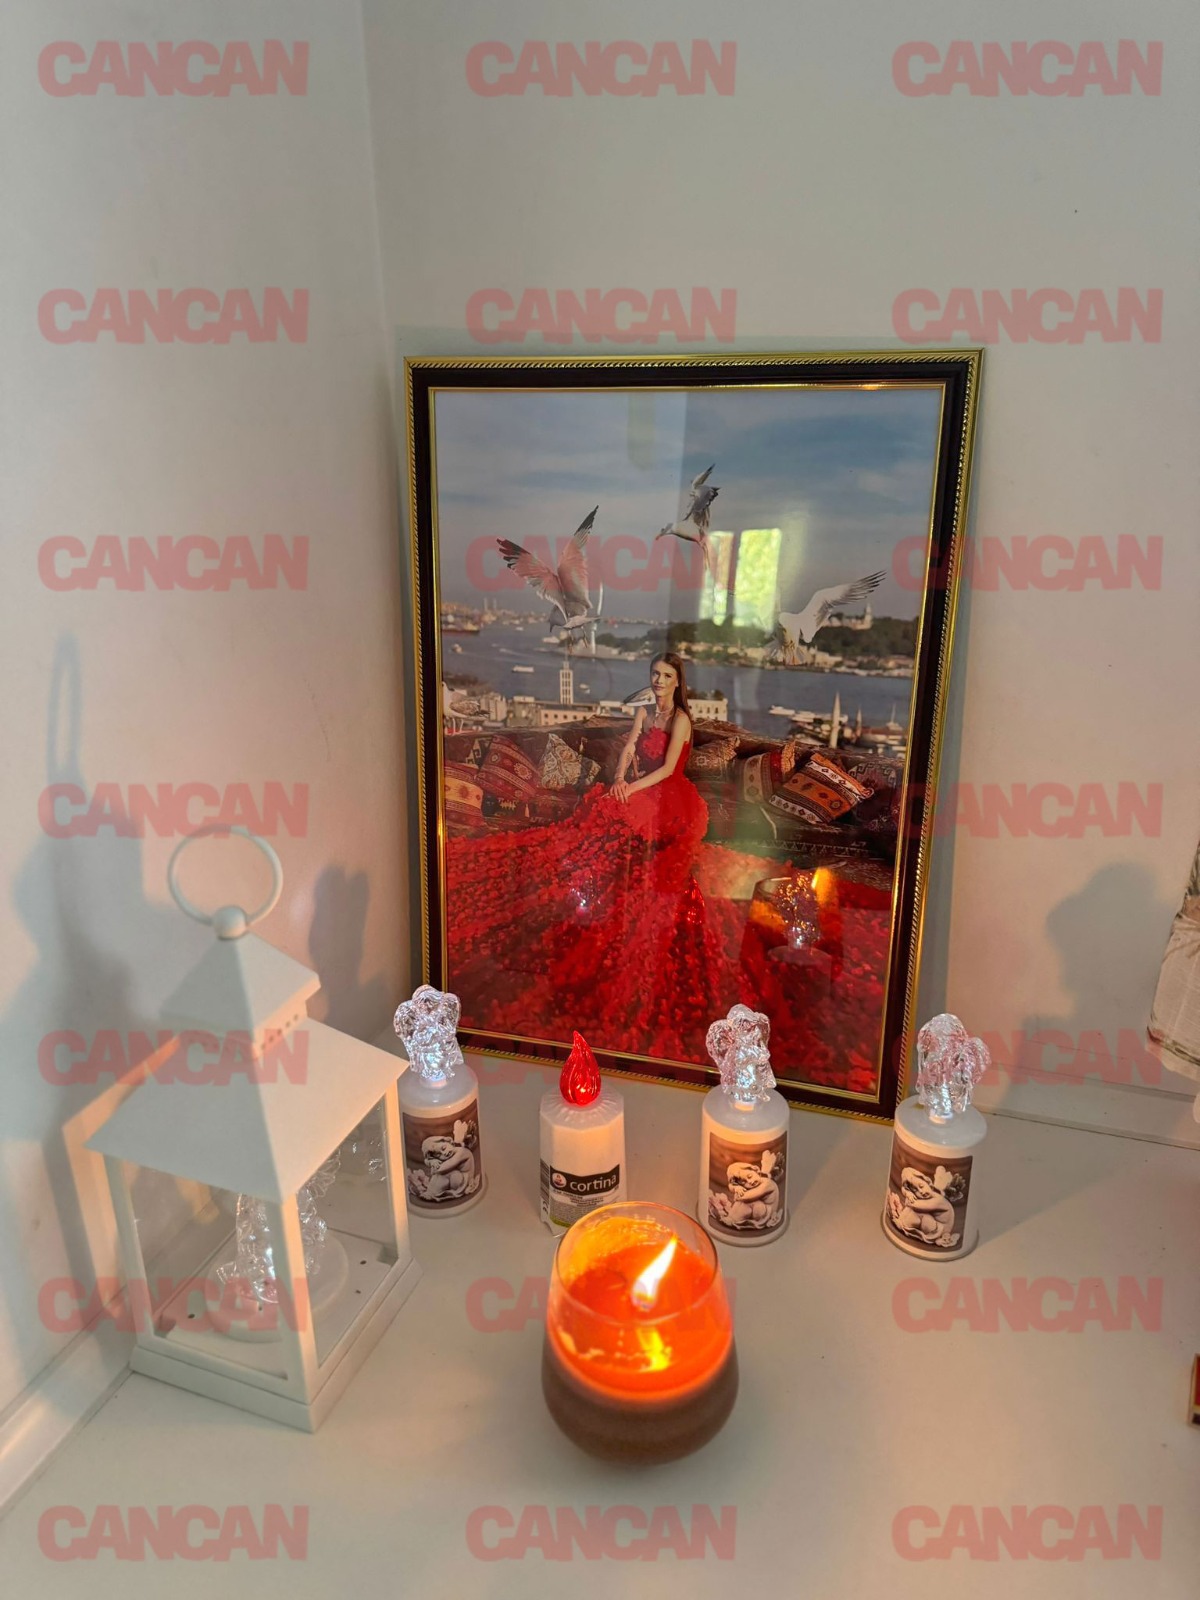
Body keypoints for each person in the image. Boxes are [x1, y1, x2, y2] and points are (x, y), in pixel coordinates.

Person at [445, 653, 720, 1059]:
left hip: (669, 795)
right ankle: (585, 877)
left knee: (619, 825)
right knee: (601, 813)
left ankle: (606, 879)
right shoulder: (645, 713)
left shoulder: (680, 720)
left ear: (678, 681)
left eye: (666, 675)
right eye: (655, 674)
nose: (659, 680)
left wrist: (631, 788)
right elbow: (629, 748)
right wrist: (620, 778)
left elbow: (666, 770)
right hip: (638, 787)